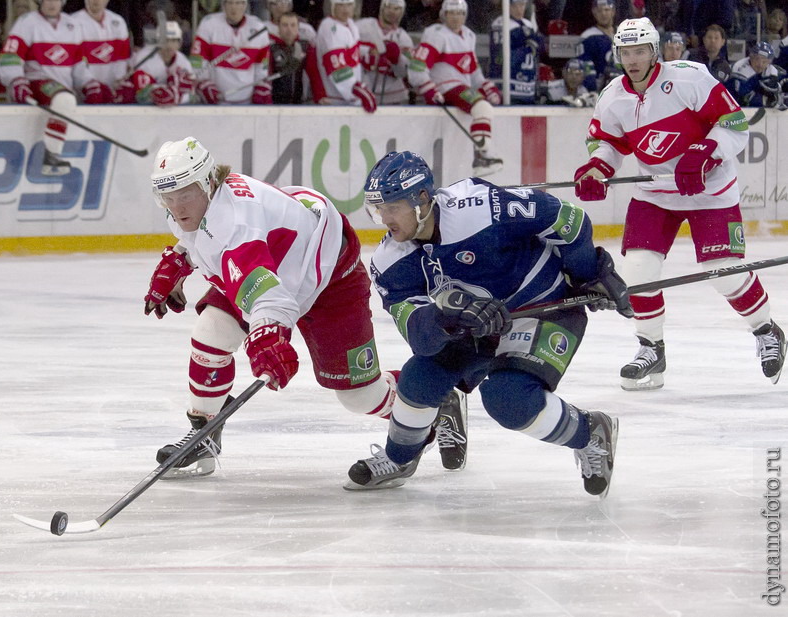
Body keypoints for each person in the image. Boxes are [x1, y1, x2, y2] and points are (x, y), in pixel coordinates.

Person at [144, 137, 469, 478]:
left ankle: (435, 400)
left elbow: (269, 296)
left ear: (209, 183)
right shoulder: (203, 202)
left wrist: (267, 334)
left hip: (330, 280)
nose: (177, 207)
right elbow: (208, 238)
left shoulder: (238, 225)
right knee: (211, 331)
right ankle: (204, 432)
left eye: (185, 195)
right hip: (279, 262)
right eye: (169, 197)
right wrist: (181, 257)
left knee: (359, 396)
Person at [344, 150, 629, 497]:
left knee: (508, 400)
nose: (384, 219)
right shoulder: (391, 261)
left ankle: (590, 431)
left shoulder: (480, 207)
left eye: (392, 207)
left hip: (542, 308)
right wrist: (445, 317)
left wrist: (586, 272)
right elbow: (418, 333)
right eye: (378, 209)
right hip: (474, 327)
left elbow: (567, 219)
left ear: (421, 199)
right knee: (419, 379)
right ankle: (400, 458)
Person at [572, 18, 786, 390]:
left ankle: (766, 330)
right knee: (638, 268)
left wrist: (706, 150)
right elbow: (606, 143)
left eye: (640, 51)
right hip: (656, 192)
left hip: (711, 188)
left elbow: (734, 122)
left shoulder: (689, 77)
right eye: (626, 52)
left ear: (655, 51)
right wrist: (597, 168)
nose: (633, 59)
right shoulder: (612, 96)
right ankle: (651, 348)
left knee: (723, 268)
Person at [0, 0, 102, 175]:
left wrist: (88, 82)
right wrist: (15, 79)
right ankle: (51, 155)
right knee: (65, 99)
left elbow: (78, 63)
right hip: (36, 81)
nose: (51, 3)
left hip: (63, 88)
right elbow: (9, 55)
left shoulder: (72, 25)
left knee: (67, 101)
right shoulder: (27, 22)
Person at [407, 0, 504, 177]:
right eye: (452, 13)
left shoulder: (468, 35)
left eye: (460, 13)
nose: (456, 17)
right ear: (444, 15)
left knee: (483, 108)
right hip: (446, 88)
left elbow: (473, 71)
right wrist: (428, 89)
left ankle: (481, 156)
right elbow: (417, 67)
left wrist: (486, 86)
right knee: (483, 108)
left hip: (461, 86)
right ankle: (482, 157)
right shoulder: (436, 34)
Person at [191, 0, 272, 104]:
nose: (234, 7)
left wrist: (261, 85)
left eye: (238, 3)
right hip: (215, 102)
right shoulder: (209, 24)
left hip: (248, 102)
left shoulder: (258, 27)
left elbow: (262, 65)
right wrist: (203, 83)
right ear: (223, 5)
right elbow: (198, 60)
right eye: (230, 3)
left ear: (244, 5)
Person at [312, 0, 378, 112]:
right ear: (333, 7)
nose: (345, 9)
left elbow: (348, 50)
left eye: (349, 5)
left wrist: (366, 52)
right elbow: (337, 68)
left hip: (348, 97)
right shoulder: (330, 28)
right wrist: (355, 88)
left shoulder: (351, 25)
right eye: (340, 5)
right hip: (333, 98)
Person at [71, 0, 132, 104]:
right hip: (82, 94)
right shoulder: (72, 22)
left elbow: (122, 59)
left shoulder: (118, 21)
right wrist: (88, 82)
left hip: (112, 90)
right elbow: (75, 62)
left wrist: (120, 80)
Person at [357, 0, 413, 105]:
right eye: (388, 7)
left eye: (396, 9)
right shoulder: (363, 26)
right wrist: (368, 54)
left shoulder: (404, 38)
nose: (392, 11)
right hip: (364, 91)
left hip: (394, 96)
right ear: (382, 8)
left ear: (402, 12)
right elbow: (346, 46)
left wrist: (397, 59)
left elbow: (406, 73)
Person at [127, 20, 196, 105]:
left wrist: (175, 95)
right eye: (166, 40)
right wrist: (174, 92)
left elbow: (192, 95)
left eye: (174, 40)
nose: (170, 45)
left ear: (180, 43)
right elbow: (142, 96)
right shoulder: (144, 58)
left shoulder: (184, 62)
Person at [489, 0, 544, 105]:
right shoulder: (501, 24)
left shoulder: (528, 24)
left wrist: (528, 43)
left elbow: (541, 46)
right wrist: (527, 47)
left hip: (528, 88)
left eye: (522, 5)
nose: (519, 9)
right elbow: (501, 59)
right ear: (507, 5)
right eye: (515, 6)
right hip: (509, 87)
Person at [268, 11, 311, 103]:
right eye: (285, 25)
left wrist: (319, 95)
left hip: (299, 102)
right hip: (275, 103)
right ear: (278, 28)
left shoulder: (305, 47)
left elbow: (314, 72)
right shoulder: (271, 49)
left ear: (298, 28)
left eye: (293, 25)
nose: (289, 29)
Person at [728, 41, 786, 108]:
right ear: (751, 57)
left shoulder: (773, 71)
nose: (760, 64)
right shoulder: (740, 69)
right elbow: (743, 97)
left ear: (769, 62)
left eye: (764, 61)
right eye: (757, 59)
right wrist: (765, 101)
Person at [578, 0, 616, 91]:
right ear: (594, 13)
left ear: (613, 11)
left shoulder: (623, 33)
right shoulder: (588, 37)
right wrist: (593, 89)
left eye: (606, 10)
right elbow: (586, 66)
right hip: (601, 87)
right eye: (599, 11)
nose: (603, 14)